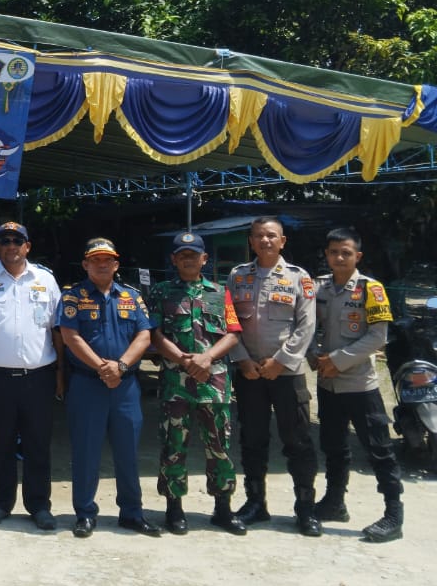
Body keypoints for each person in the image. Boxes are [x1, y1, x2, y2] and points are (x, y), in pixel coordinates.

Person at [0, 220, 62, 531]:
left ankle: (39, 505)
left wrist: (61, 373)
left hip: (39, 377)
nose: (11, 246)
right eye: (5, 241)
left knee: (38, 444)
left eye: (18, 241)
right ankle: (0, 502)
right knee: (0, 444)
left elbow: (58, 330)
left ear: (27, 246)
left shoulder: (45, 279)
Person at [57, 237, 160, 538]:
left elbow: (144, 335)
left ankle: (131, 513)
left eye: (108, 260)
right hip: (88, 385)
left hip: (125, 386)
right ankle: (85, 513)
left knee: (128, 451)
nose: (102, 264)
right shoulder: (73, 297)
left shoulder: (131, 296)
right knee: (86, 451)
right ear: (86, 264)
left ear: (116, 264)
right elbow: (70, 336)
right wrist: (102, 368)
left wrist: (122, 367)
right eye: (95, 260)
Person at [147, 231, 246, 536]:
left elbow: (232, 333)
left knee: (220, 447)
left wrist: (205, 360)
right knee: (173, 446)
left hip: (213, 384)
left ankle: (223, 508)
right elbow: (154, 334)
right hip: (176, 384)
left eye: (194, 255)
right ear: (174, 260)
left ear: (205, 259)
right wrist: (183, 360)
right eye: (182, 255)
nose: (188, 259)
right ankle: (174, 508)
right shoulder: (161, 292)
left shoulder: (220, 292)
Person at [228, 216, 321, 536]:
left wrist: (281, 361)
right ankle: (256, 503)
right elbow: (230, 323)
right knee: (252, 439)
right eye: (258, 236)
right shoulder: (237, 276)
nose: (265, 241)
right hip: (249, 373)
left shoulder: (300, 278)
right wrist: (242, 361)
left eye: (271, 236)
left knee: (298, 440)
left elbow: (306, 325)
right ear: (251, 241)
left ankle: (305, 508)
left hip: (287, 373)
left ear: (282, 241)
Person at [311, 227, 404, 542]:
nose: (339, 257)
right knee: (334, 446)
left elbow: (378, 337)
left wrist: (336, 360)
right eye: (334, 252)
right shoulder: (319, 287)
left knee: (379, 449)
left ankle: (394, 514)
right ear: (326, 255)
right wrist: (315, 357)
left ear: (357, 256)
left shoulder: (371, 289)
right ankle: (334, 502)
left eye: (346, 252)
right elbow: (309, 326)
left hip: (360, 386)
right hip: (327, 385)